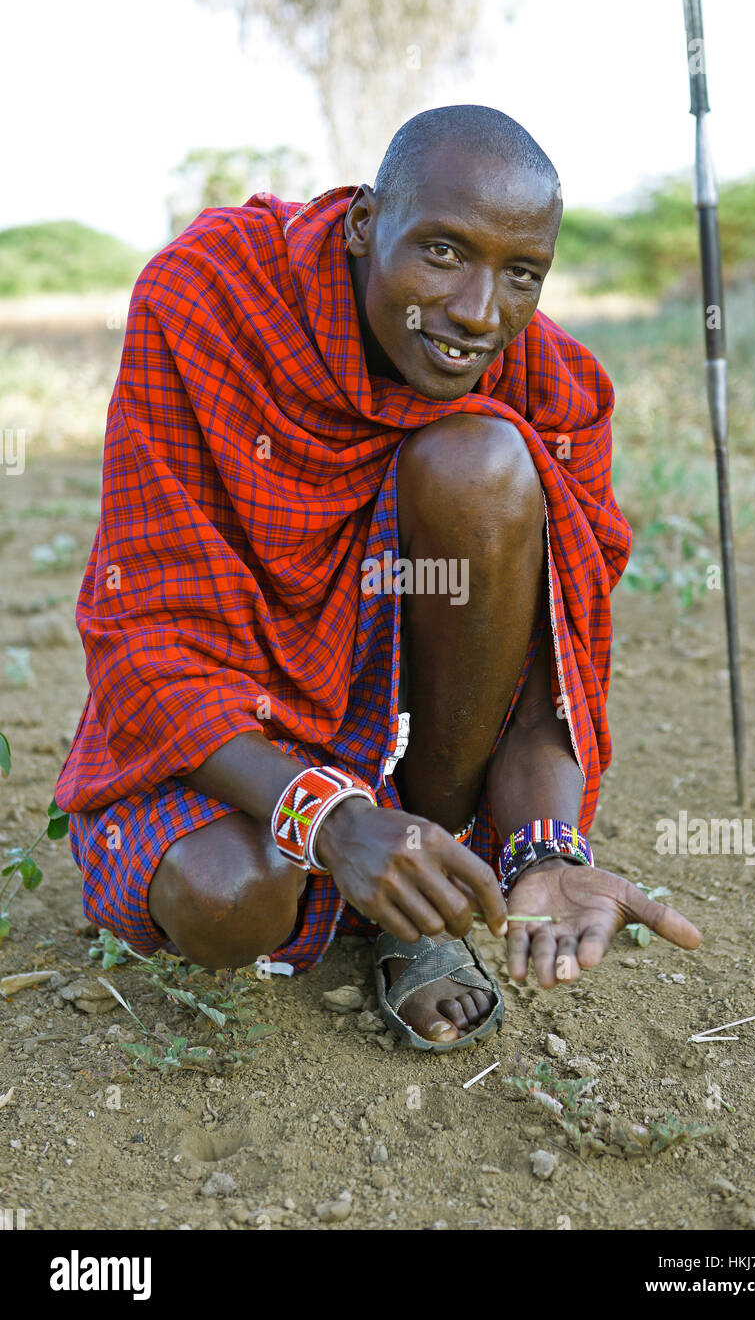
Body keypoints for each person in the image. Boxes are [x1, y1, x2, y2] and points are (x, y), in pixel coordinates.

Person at [56, 105, 700, 1052]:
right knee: (232, 896)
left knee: (480, 461)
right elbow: (142, 637)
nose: (480, 312)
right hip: (235, 715)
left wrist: (548, 851)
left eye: (520, 273)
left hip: (410, 712)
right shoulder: (210, 297)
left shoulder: (553, 385)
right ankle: (358, 849)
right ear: (364, 224)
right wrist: (331, 819)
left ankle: (420, 900)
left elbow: (541, 696)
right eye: (442, 252)